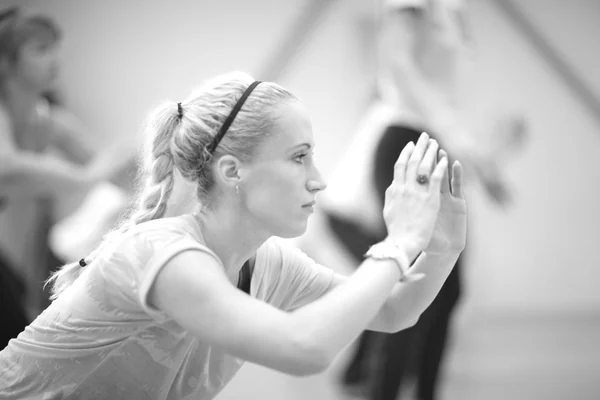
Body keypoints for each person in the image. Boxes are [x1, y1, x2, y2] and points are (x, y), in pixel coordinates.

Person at [0, 71, 466, 399]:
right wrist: (398, 243)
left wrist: (443, 246)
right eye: (298, 156)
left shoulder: (269, 263)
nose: (318, 179)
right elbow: (303, 347)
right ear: (231, 170)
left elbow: (392, 310)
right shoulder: (163, 252)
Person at [318, 0, 525, 399]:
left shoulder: (455, 11)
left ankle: (424, 391)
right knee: (413, 282)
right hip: (410, 139)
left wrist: (483, 161)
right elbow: (397, 63)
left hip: (435, 143)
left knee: (447, 289)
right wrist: (458, 139)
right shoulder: (415, 7)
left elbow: (445, 96)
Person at [0, 7, 137, 349]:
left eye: (54, 48)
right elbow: (9, 166)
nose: (55, 60)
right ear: (6, 62)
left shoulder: (49, 120)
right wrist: (87, 177)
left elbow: (109, 167)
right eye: (40, 50)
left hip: (23, 260)